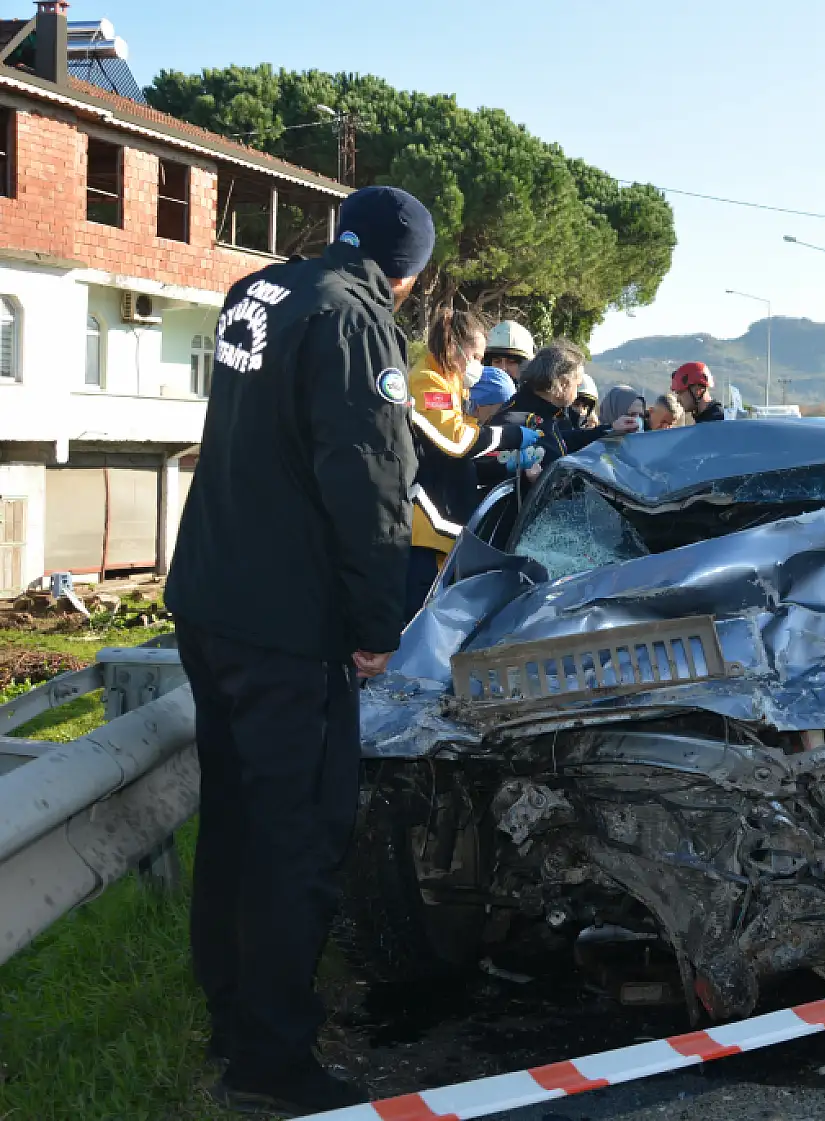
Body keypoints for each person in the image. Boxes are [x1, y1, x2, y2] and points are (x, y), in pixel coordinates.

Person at [163, 185, 434, 1113]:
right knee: (296, 839)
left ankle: (233, 1018)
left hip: (210, 599)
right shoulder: (357, 321)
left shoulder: (262, 290)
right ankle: (271, 1064)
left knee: (235, 820)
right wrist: (373, 628)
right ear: (407, 275)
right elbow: (367, 483)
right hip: (285, 626)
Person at [406, 307, 544, 620]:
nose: (480, 366)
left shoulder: (452, 384)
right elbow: (457, 441)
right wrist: (510, 436)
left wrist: (508, 462)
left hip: (446, 524)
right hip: (427, 525)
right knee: (416, 620)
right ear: (454, 347)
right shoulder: (428, 382)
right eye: (479, 357)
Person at [505, 342, 640, 452]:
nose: (577, 393)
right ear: (563, 384)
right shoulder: (520, 420)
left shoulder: (543, 413)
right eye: (577, 384)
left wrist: (611, 429)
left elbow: (564, 439)